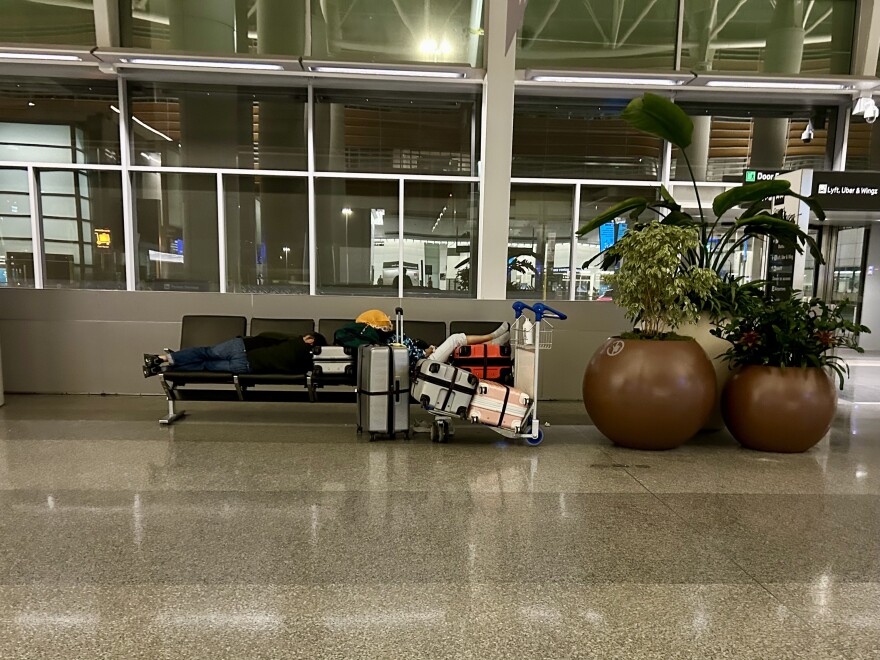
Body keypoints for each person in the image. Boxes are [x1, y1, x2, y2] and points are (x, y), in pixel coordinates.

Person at [354, 309, 509, 371]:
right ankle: (493, 336)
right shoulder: (387, 344)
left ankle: (493, 344)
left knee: (458, 350)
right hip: (422, 364)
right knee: (455, 339)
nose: (390, 324)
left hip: (425, 359)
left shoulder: (391, 338)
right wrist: (427, 350)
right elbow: (410, 356)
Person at [142, 332, 328, 377]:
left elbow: (266, 335)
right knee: (206, 365)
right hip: (246, 366)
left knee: (205, 353)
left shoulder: (293, 340)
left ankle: (162, 359)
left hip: (242, 347)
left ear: (310, 340)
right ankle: (163, 368)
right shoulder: (304, 364)